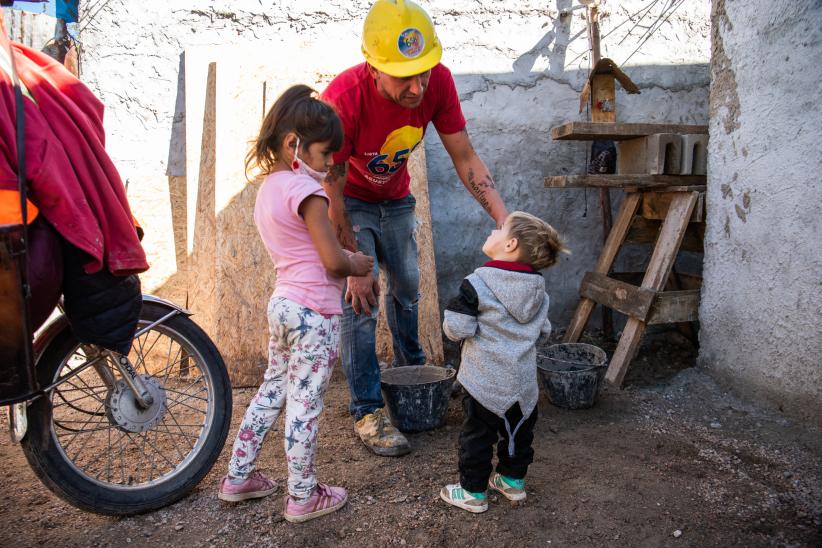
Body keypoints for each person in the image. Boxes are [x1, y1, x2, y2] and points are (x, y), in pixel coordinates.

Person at [321, 0, 508, 457]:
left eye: (423, 71)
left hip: (398, 200)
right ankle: (367, 408)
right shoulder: (344, 99)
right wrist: (352, 262)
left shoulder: (437, 83)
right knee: (360, 299)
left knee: (407, 289)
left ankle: (414, 378)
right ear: (373, 66)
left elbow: (465, 157)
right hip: (350, 203)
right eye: (403, 75)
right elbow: (331, 187)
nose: (417, 85)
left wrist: (507, 223)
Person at [217, 85, 374, 523]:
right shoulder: (309, 192)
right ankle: (303, 496)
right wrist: (357, 262)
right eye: (325, 154)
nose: (329, 165)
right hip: (315, 314)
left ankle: (238, 475)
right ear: (294, 146)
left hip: (283, 305)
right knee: (305, 405)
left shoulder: (268, 189)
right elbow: (331, 261)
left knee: (272, 390)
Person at [439, 211, 568, 513]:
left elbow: (457, 328)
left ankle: (472, 492)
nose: (491, 232)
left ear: (509, 245)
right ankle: (512, 481)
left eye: (498, 229)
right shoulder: (538, 289)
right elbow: (544, 331)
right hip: (522, 384)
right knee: (518, 434)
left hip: (483, 381)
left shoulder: (477, 282)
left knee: (477, 437)